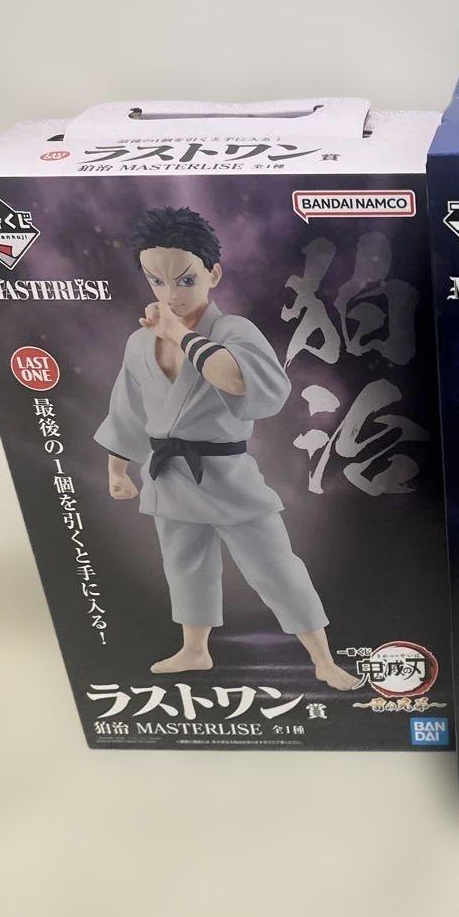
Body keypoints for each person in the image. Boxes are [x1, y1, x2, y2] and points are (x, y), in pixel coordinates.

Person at [94, 206, 360, 692]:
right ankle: (194, 650)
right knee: (185, 565)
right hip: (169, 474)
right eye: (156, 281)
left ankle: (323, 659)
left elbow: (242, 383)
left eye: (185, 280)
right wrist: (118, 467)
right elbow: (128, 408)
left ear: (213, 274)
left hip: (226, 473)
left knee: (275, 567)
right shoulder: (139, 342)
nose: (170, 294)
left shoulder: (233, 331)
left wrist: (180, 334)